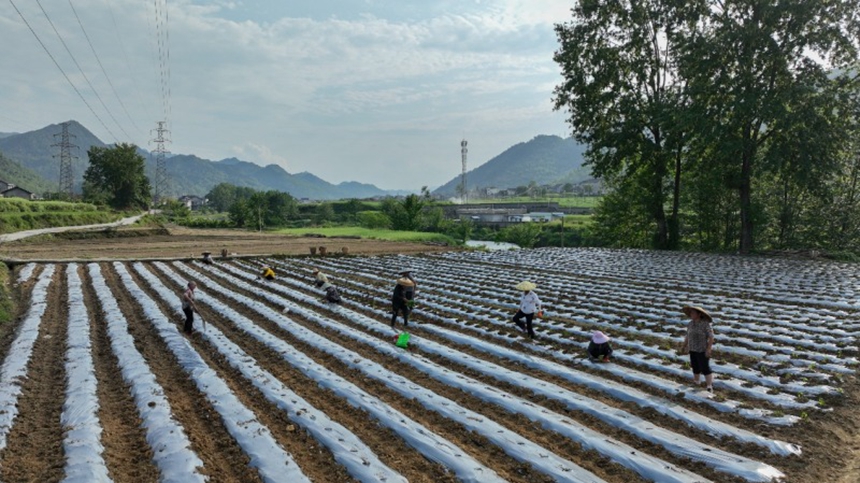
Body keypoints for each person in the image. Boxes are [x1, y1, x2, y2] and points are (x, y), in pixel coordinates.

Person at [679, 305, 716, 392]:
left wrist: (708, 349)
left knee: (705, 367)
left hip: (702, 349)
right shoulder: (690, 324)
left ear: (699, 314)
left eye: (693, 313)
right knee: (695, 366)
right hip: (692, 349)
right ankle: (696, 382)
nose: (691, 314)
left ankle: (709, 385)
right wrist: (684, 345)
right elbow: (687, 335)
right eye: (690, 313)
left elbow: (711, 337)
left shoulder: (705, 324)